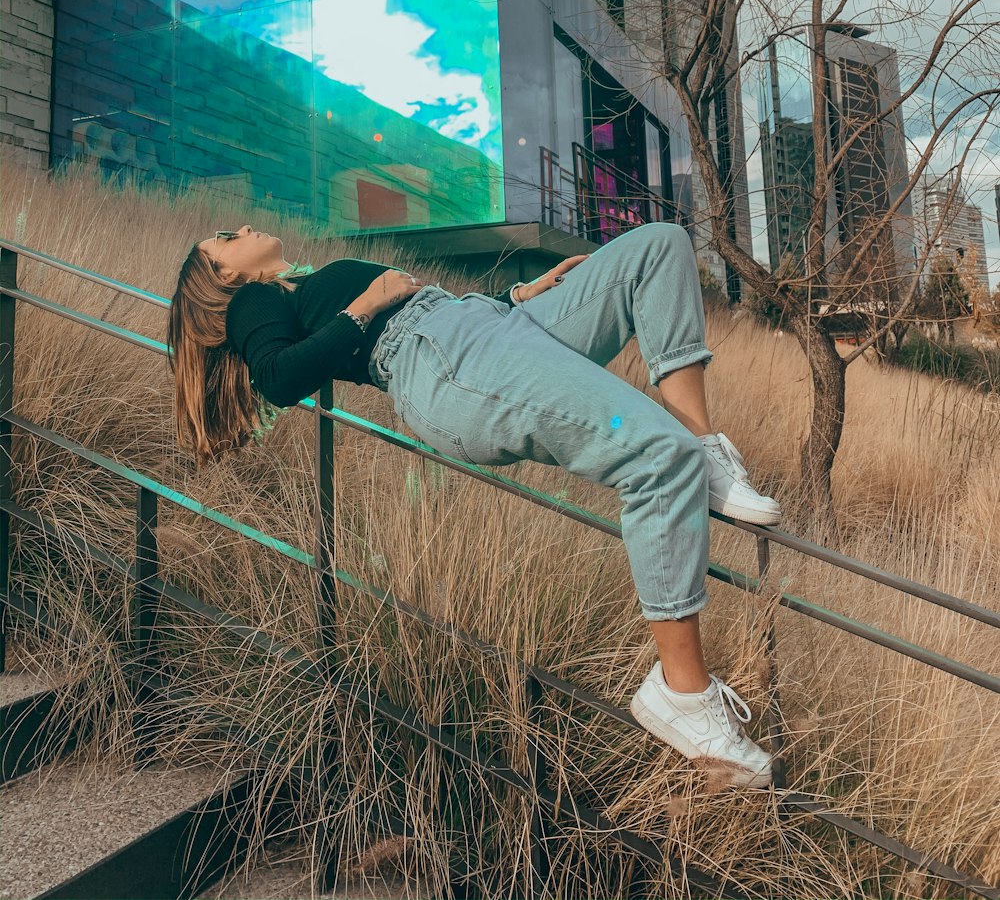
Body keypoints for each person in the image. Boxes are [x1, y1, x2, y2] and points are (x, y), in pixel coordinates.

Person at [168, 220, 781, 788]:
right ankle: (683, 692)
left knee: (659, 246)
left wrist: (516, 296)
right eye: (225, 238)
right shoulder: (255, 300)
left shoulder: (292, 288)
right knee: (656, 456)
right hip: (448, 364)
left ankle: (704, 449)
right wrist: (368, 305)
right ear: (222, 276)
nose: (243, 228)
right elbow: (278, 377)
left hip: (490, 325)